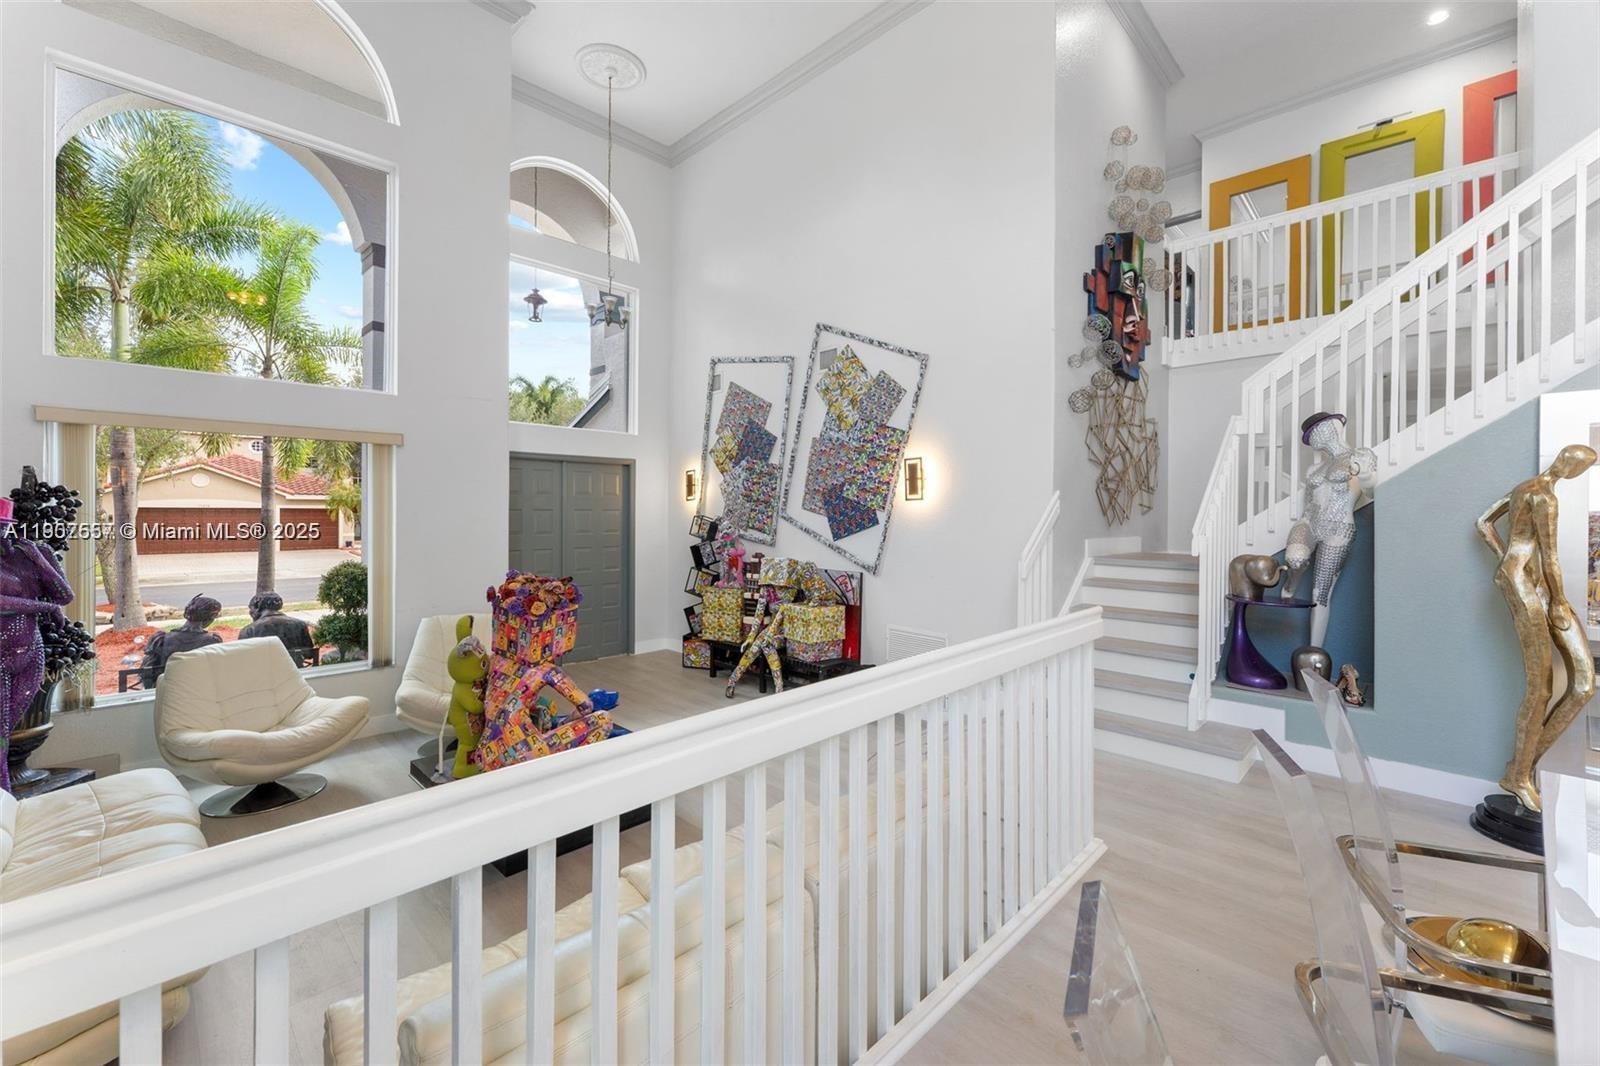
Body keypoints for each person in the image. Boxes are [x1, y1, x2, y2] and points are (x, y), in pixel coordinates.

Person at [1476, 443, 1599, 812]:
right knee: (1540, 687)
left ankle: (1520, 769)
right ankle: (1519, 776)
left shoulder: (1522, 488)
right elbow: (1550, 557)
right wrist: (1558, 600)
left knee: (1584, 684)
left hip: (1524, 580)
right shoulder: (1545, 498)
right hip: (1528, 587)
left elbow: (1483, 523)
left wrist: (1507, 559)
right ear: (1572, 468)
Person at [139, 594, 223, 688]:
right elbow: (217, 673)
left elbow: (147, 673)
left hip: (167, 689)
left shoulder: (161, 640)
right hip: (199, 689)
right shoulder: (212, 641)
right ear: (210, 618)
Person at [239, 591, 316, 666]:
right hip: (294, 670)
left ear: (257, 607)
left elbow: (244, 659)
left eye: (251, 608)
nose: (250, 612)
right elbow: (309, 654)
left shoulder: (249, 631)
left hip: (263, 672)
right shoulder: (300, 624)